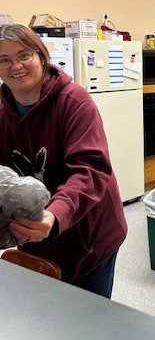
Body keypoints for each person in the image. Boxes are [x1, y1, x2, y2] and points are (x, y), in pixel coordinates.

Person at [0, 24, 127, 298]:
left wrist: (55, 214)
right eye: (4, 60)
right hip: (35, 233)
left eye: (24, 55)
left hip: (88, 235)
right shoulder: (1, 113)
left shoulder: (74, 101)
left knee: (87, 318)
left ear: (41, 56)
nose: (16, 66)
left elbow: (90, 171)